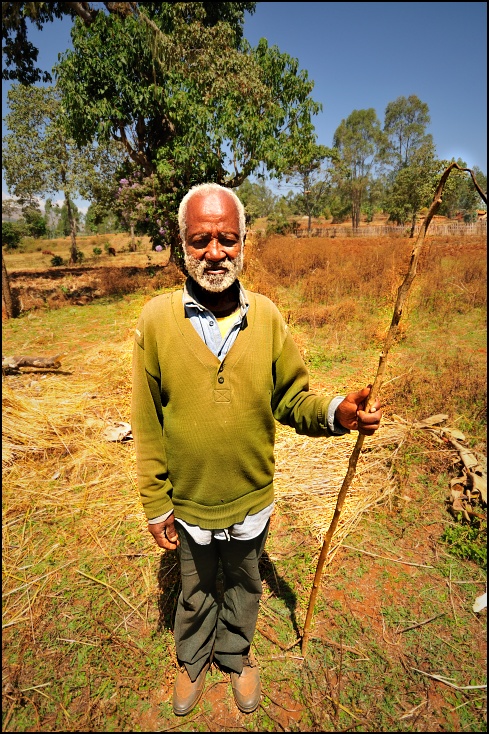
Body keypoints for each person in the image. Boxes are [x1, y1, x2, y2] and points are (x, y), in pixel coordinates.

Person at [131, 183, 382, 717]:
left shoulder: (266, 316)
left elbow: (292, 397)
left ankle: (236, 653)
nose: (215, 252)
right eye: (201, 240)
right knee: (195, 587)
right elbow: (147, 420)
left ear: (245, 240)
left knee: (245, 582)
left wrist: (336, 412)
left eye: (227, 238)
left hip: (251, 499)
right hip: (190, 501)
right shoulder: (155, 321)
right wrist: (156, 503)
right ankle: (191, 656)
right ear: (182, 244)